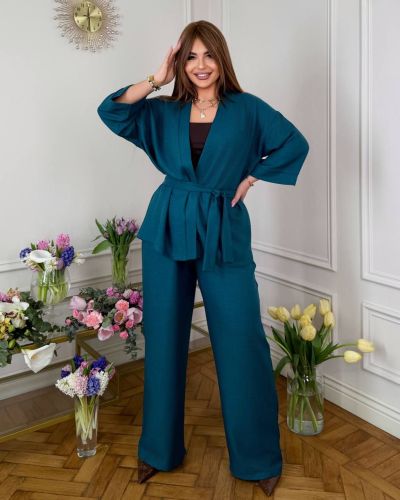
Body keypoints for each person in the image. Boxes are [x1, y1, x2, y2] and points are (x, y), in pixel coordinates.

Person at [97, 20, 309, 497]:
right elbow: (112, 111)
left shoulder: (247, 109)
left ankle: (257, 457)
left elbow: (294, 143)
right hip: (168, 224)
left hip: (222, 228)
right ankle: (158, 450)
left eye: (208, 55)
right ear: (180, 63)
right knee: (164, 337)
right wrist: (155, 78)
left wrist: (251, 177)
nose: (200, 65)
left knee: (241, 338)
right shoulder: (164, 111)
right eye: (190, 57)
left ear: (221, 58)